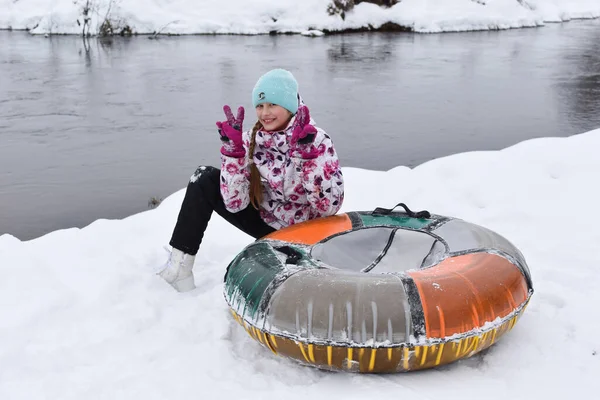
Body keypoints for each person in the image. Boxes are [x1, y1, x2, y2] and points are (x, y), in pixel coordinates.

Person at [157, 68, 345, 292]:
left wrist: (307, 160)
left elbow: (328, 208)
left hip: (305, 233)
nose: (265, 113)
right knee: (203, 178)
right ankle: (180, 267)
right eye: (259, 105)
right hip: (267, 224)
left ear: (289, 105)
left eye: (272, 104)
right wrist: (233, 155)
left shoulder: (316, 139)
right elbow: (235, 204)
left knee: (246, 280)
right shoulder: (251, 139)